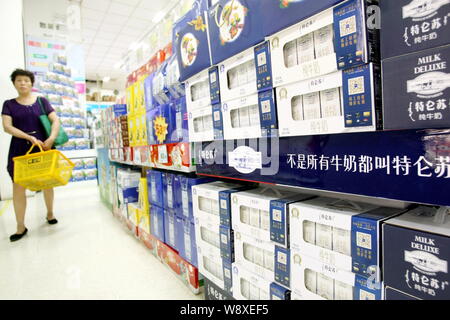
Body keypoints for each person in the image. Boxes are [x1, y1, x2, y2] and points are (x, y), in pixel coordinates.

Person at [1, 69, 61, 242]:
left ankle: (50, 213)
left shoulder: (42, 101)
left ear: (31, 83)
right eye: (19, 80)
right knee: (18, 187)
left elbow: (55, 120)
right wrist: (28, 137)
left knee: (47, 182)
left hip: (43, 146)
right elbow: (7, 126)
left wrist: (51, 138)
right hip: (20, 149)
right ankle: (20, 226)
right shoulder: (9, 104)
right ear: (14, 83)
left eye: (26, 80)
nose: (23, 83)